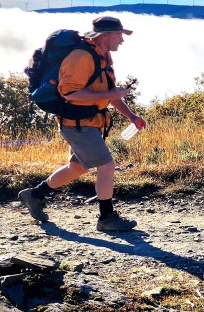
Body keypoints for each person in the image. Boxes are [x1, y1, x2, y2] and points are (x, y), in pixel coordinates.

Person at [18, 16, 146, 231]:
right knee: (107, 166)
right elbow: (69, 93)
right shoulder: (81, 57)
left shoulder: (102, 56)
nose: (121, 40)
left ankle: (34, 195)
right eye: (119, 35)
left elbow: (109, 92)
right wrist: (110, 93)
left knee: (77, 168)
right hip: (77, 123)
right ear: (105, 36)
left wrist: (131, 116)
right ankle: (106, 218)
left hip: (88, 121)